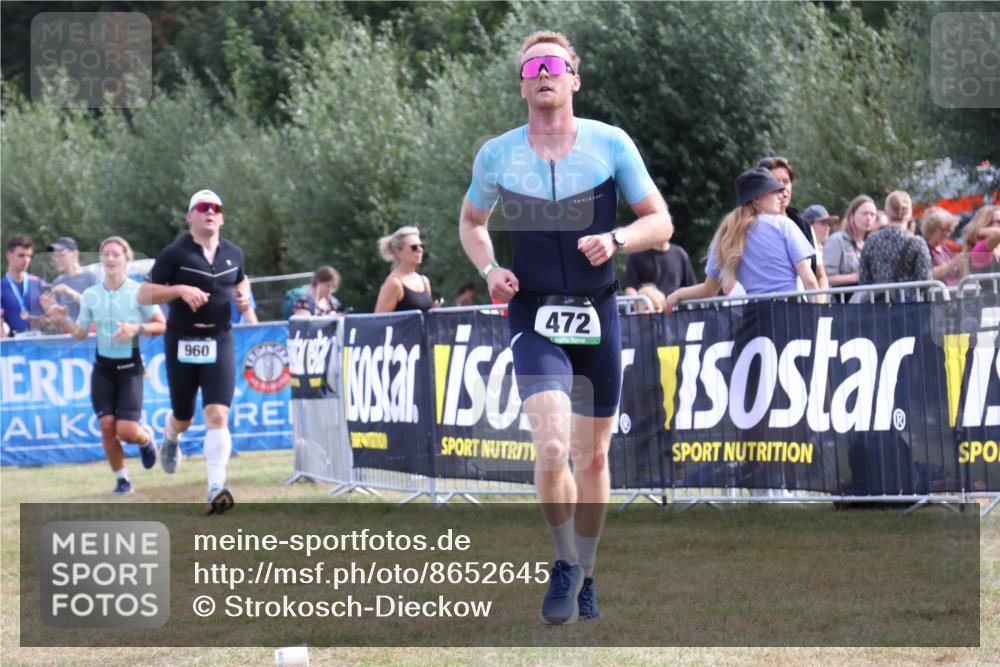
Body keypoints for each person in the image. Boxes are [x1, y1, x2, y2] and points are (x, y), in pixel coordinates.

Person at [459, 30, 672, 625]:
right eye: (532, 67)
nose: (544, 72)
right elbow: (472, 222)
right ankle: (563, 563)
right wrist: (491, 266)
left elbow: (660, 221)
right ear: (522, 84)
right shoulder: (498, 155)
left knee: (594, 459)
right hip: (533, 313)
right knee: (552, 446)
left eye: (555, 64)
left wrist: (617, 239)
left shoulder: (610, 143)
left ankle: (589, 574)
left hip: (598, 311)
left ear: (574, 78)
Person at [140, 189, 251, 515]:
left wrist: (242, 297)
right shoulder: (175, 253)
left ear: (222, 216)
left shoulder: (234, 252)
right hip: (182, 341)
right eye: (203, 208)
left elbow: (242, 281)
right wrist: (179, 289)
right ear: (190, 216)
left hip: (220, 340)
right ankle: (170, 436)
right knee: (185, 416)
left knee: (218, 414)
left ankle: (216, 487)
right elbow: (143, 294)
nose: (210, 212)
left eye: (216, 207)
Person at [49, 236, 166, 494]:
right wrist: (63, 320)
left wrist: (138, 328)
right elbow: (80, 333)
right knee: (107, 426)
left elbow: (161, 324)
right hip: (102, 369)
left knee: (126, 431)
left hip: (130, 369)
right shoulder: (91, 295)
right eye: (106, 254)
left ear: (126, 258)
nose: (111, 258)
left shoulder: (139, 292)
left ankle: (145, 439)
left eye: (116, 254)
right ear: (101, 260)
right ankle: (123, 480)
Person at [666, 167, 819, 311]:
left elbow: (709, 290)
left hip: (754, 318)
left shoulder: (727, 233)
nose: (781, 195)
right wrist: (816, 316)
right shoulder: (784, 225)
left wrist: (677, 295)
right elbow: (810, 281)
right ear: (757, 198)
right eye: (774, 191)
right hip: (790, 315)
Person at [756, 156, 829, 291]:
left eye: (786, 181)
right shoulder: (751, 228)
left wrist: (819, 304)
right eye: (775, 182)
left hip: (806, 307)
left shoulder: (803, 225)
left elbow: (820, 275)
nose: (783, 188)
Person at [856, 191, 933, 301]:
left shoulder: (871, 241)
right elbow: (925, 280)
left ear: (887, 211)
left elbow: (864, 278)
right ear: (909, 213)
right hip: (909, 306)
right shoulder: (917, 242)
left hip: (878, 306)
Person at [374, 227, 435, 313]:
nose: (420, 249)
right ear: (397, 252)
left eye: (421, 246)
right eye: (414, 247)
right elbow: (379, 321)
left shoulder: (424, 281)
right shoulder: (394, 283)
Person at [824, 195, 876, 287]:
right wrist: (855, 277)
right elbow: (825, 278)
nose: (869, 218)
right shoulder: (836, 241)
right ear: (852, 215)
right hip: (841, 299)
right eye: (864, 213)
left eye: (872, 214)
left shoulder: (872, 242)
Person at [622, 238, 695, 299]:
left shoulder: (680, 254)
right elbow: (630, 286)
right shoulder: (636, 255)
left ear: (671, 229)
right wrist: (639, 305)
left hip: (675, 312)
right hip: (648, 311)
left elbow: (691, 286)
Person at [2, 234, 46, 336]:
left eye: (29, 256)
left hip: (39, 343)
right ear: (9, 255)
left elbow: (53, 320)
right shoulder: (2, 287)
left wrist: (48, 313)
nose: (26, 260)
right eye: (21, 255)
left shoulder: (38, 283)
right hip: (13, 346)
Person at [48, 236, 97, 321]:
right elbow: (57, 321)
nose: (57, 260)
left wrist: (69, 291)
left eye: (61, 255)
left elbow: (96, 309)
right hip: (67, 333)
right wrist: (48, 308)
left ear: (75, 254)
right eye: (55, 256)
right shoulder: (57, 282)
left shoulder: (92, 277)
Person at [920, 206, 965, 287]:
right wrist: (952, 264)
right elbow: (926, 275)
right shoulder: (923, 248)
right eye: (943, 230)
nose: (947, 234)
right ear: (931, 228)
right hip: (935, 295)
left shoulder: (945, 248)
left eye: (949, 230)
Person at [965, 204, 1000, 276]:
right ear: (986, 224)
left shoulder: (996, 246)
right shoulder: (981, 247)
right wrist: (977, 230)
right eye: (999, 222)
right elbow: (998, 234)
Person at [801, 204, 838, 270]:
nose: (828, 228)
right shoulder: (801, 250)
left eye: (828, 224)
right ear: (809, 225)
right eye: (823, 224)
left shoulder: (824, 248)